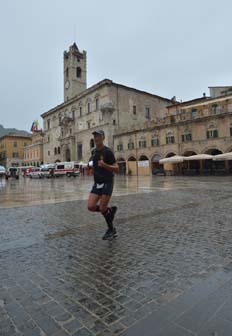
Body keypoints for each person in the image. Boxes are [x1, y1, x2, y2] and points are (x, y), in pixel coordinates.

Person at [87, 130, 119, 240]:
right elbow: (94, 165)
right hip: (97, 183)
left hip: (108, 182)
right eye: (95, 136)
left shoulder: (108, 152)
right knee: (90, 206)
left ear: (103, 138)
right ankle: (109, 211)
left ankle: (111, 230)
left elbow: (117, 168)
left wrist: (105, 165)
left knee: (101, 207)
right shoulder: (93, 152)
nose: (96, 138)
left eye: (99, 136)